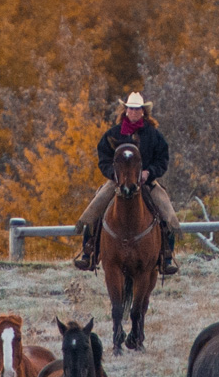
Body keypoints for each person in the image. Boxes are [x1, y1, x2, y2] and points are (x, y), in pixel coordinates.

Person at [74, 92, 180, 274]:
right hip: (117, 182)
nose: (134, 112)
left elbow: (163, 160)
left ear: (143, 111)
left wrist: (149, 172)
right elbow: (103, 159)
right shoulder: (113, 135)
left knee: (167, 213)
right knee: (94, 209)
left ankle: (166, 255)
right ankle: (88, 251)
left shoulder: (154, 136)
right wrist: (114, 175)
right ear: (126, 110)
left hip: (146, 183)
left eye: (137, 109)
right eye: (131, 108)